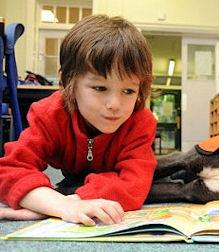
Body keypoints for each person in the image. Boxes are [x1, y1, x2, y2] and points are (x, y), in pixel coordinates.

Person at [0, 15, 157, 226]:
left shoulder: (140, 122)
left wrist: (76, 199)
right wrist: (60, 205)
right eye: (100, 88)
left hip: (97, 177)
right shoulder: (49, 114)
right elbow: (10, 170)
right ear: (68, 83)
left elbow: (134, 183)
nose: (115, 104)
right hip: (71, 179)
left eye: (128, 91)